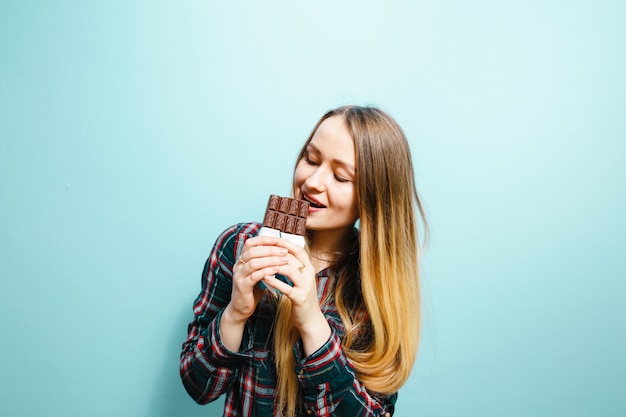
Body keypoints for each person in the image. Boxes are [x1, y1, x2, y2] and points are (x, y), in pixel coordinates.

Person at [180, 105, 427, 416]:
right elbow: (198, 387)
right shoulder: (240, 246)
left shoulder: (377, 289)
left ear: (374, 197)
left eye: (340, 176)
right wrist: (236, 313)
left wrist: (311, 321)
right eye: (311, 159)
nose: (313, 181)